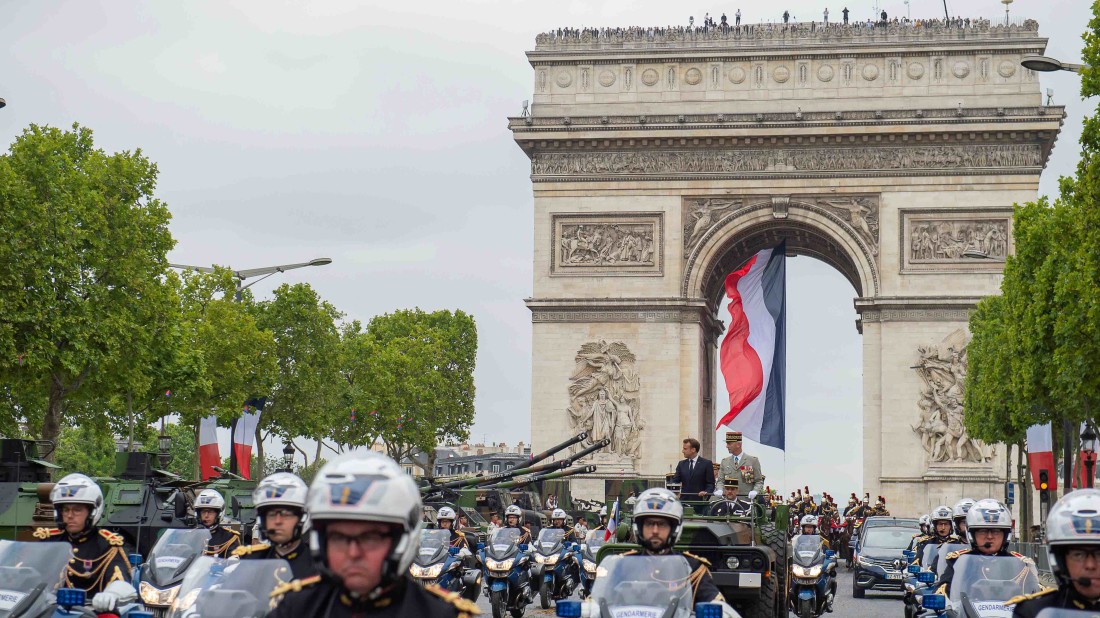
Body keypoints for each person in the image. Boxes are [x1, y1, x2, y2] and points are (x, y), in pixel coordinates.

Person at [266, 451, 478, 617]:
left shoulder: (441, 614)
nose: (353, 552)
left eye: (370, 538)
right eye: (339, 538)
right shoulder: (295, 609)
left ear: (400, 541)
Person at [33, 473, 135, 612]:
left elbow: (120, 579)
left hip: (90, 612)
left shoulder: (107, 544)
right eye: (66, 509)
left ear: (92, 512)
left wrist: (112, 594)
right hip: (47, 611)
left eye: (77, 510)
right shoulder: (49, 540)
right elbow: (29, 572)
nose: (70, 515)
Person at [622, 488, 729, 607]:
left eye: (662, 524)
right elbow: (600, 601)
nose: (655, 531)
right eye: (649, 524)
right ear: (639, 527)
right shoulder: (623, 566)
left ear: (674, 529)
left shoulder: (692, 569)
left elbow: (716, 603)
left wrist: (721, 610)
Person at [1008, 489, 1100, 616]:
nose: (1091, 565)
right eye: (1079, 555)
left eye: (1099, 555)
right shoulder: (1033, 612)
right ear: (1060, 560)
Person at [234, 472, 316, 578]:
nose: (278, 521)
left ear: (302, 517)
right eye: (271, 515)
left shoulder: (319, 564)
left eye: (286, 514)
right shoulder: (252, 561)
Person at [935, 499, 1025, 596]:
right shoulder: (958, 561)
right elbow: (941, 591)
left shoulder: (1019, 563)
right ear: (972, 534)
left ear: (1005, 535)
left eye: (996, 531)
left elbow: (1036, 592)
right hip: (968, 610)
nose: (990, 537)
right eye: (982, 531)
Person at [194, 488, 242, 558]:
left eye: (210, 512)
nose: (206, 516)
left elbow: (233, 563)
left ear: (219, 514)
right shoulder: (191, 536)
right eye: (203, 511)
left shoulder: (229, 537)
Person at [718, 431, 764, 496]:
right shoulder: (725, 462)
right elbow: (720, 481)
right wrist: (720, 489)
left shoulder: (752, 461)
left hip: (746, 501)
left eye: (729, 443)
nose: (727, 446)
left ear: (738, 445)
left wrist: (755, 491)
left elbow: (759, 481)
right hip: (729, 501)